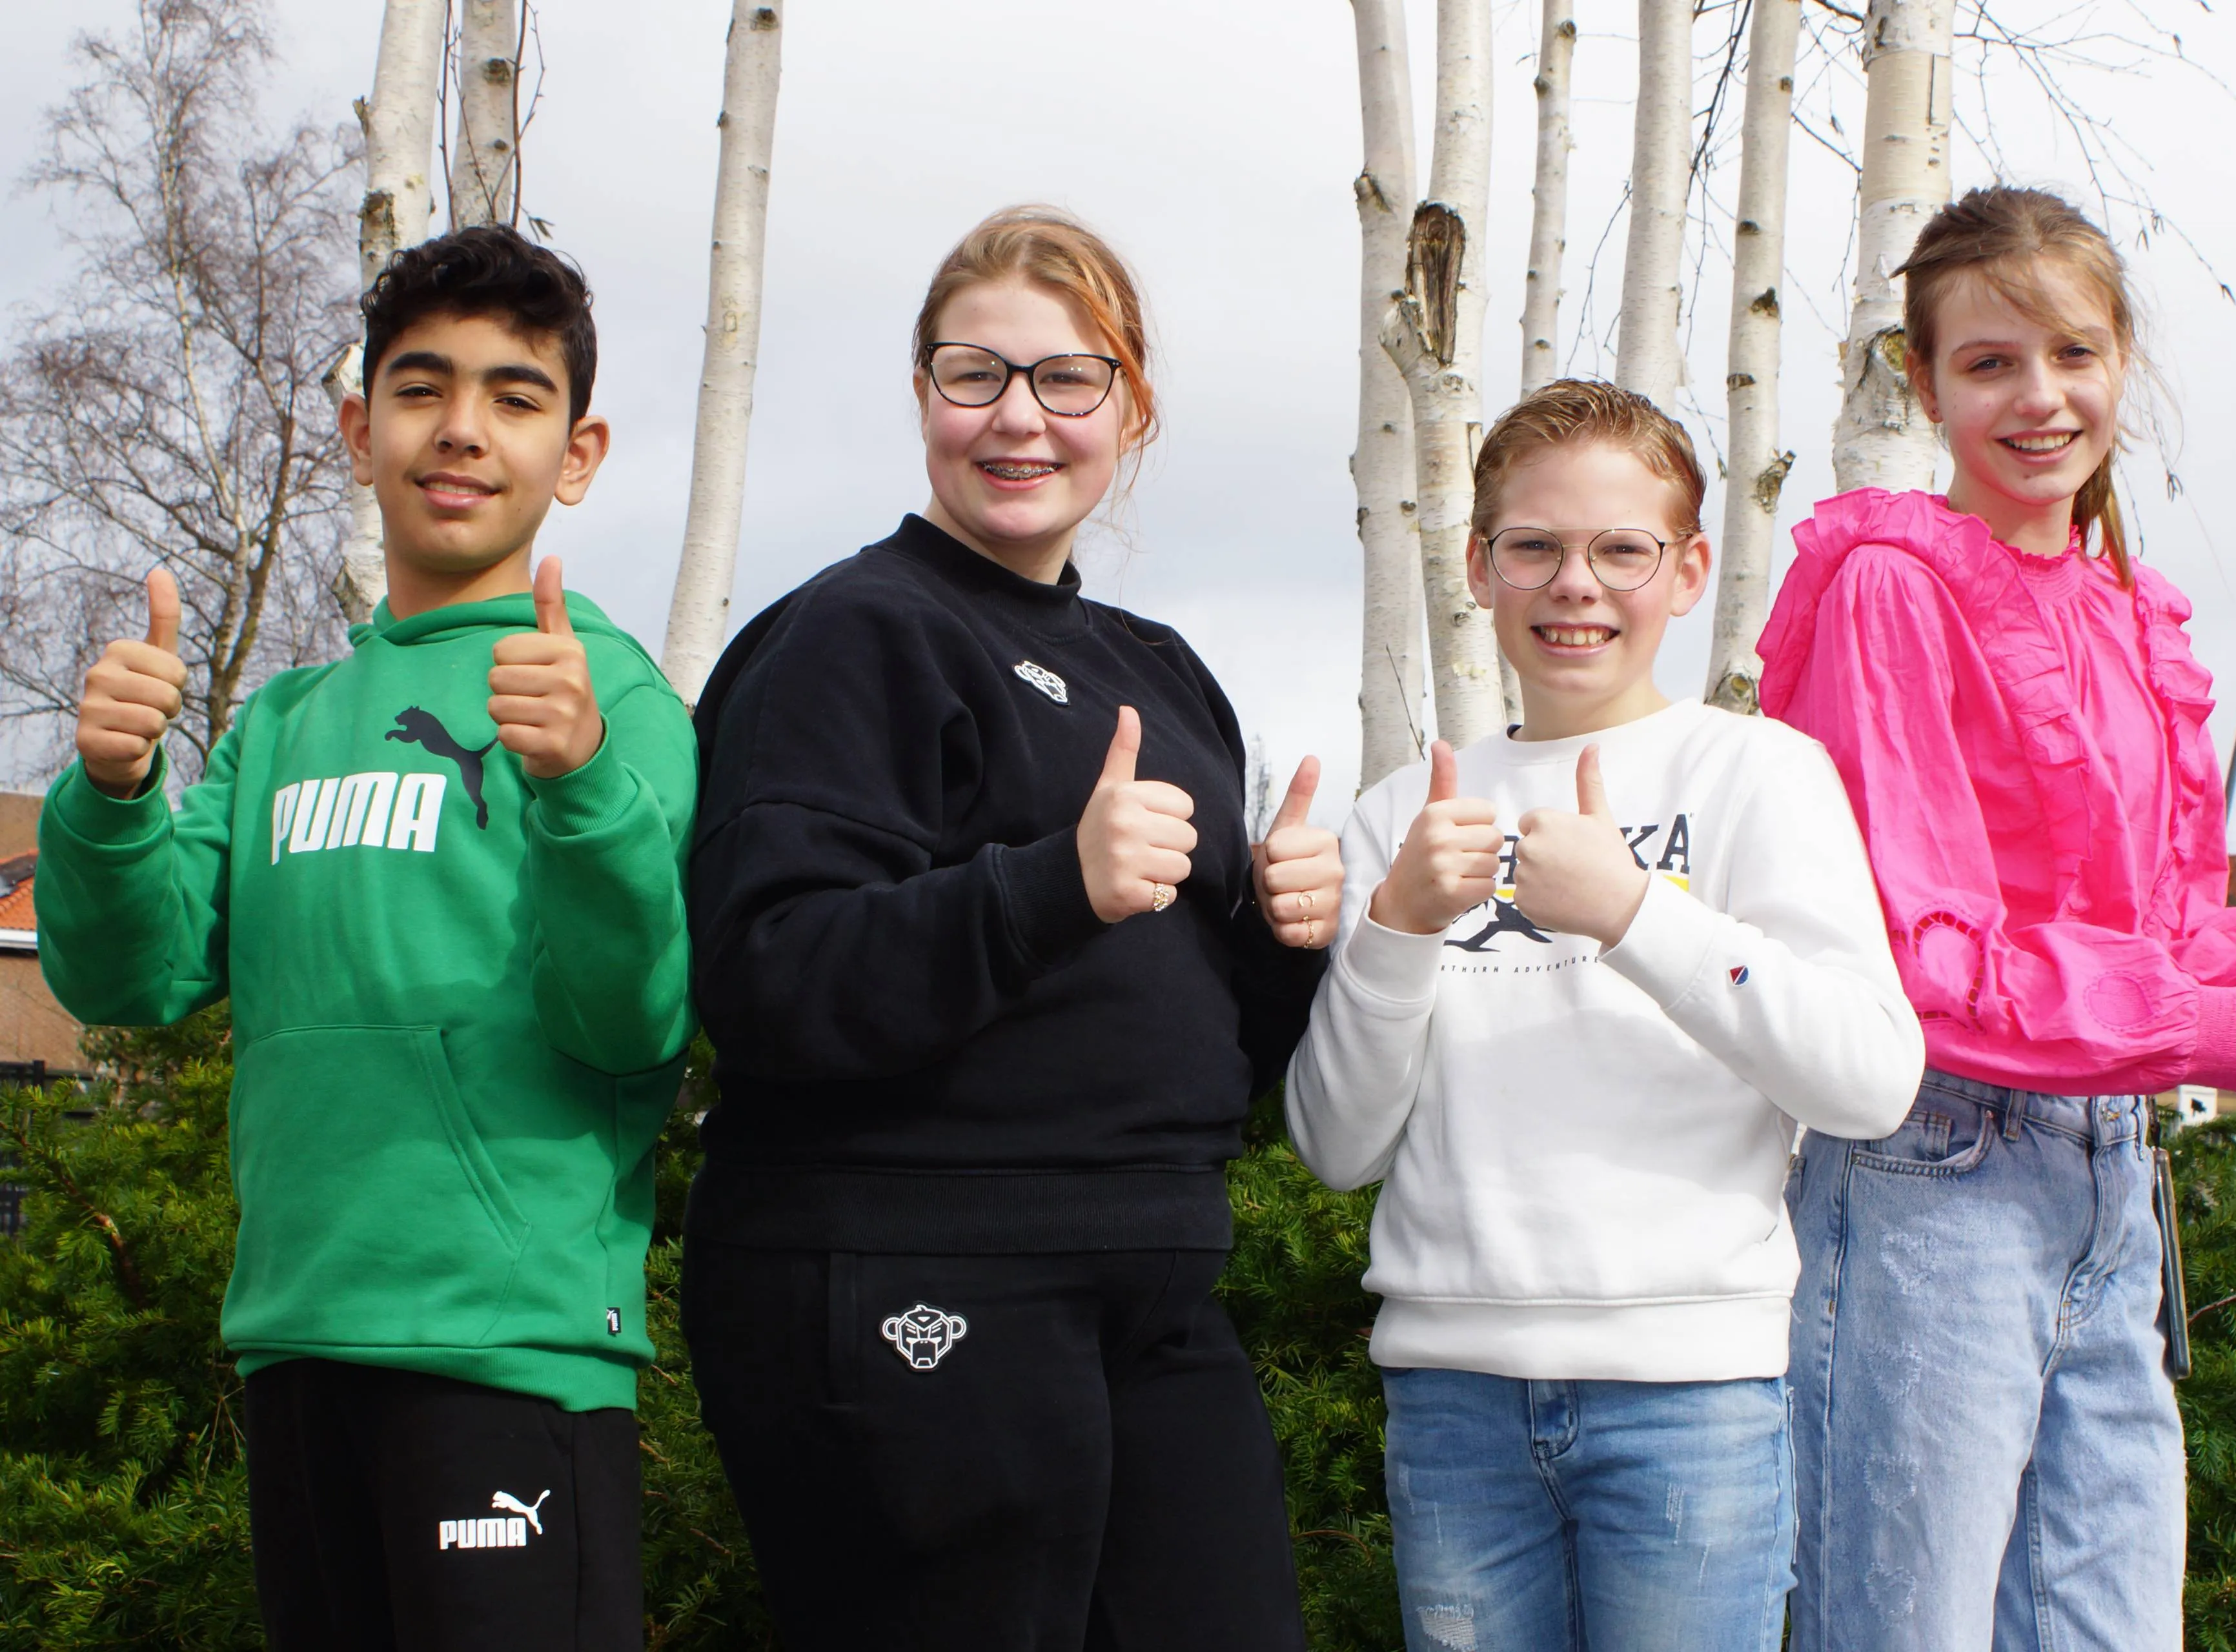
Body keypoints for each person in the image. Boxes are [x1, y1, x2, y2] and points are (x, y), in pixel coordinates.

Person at [1755, 184, 2236, 1651]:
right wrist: (2232, 1030)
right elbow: (1923, 960)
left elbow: (2163, 938)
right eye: (1990, 362)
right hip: (1933, 1168)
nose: (2040, 397)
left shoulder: (2129, 613)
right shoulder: (1891, 585)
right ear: (1926, 384)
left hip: (2110, 1169)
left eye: (2073, 353)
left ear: (2122, 363)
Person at [681, 205, 1344, 1651]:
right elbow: (767, 976)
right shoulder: (850, 633)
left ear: (1131, 408)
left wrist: (1292, 939)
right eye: (975, 373)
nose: (1019, 417)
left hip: (1154, 1285)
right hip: (914, 1270)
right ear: (924, 392)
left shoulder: (1163, 673)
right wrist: (1052, 884)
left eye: (1067, 378)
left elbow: (1209, 1045)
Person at [36, 224, 696, 1648]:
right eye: (422, 387)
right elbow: (125, 975)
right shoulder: (282, 724)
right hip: (297, 1336)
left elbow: (629, 1022)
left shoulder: (609, 700)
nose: (461, 429)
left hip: (509, 1350)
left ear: (577, 455)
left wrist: (582, 784)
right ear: (359, 430)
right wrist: (112, 791)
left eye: (515, 396)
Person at [1286, 378, 1926, 1651]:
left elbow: (1869, 1077)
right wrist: (1399, 925)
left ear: (1687, 571)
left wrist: (1635, 912)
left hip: (1693, 1399)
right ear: (1480, 566)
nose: (1575, 583)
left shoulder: (1759, 773)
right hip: (1453, 1400)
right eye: (1535, 546)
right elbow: (1338, 1145)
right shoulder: (1401, 812)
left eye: (1621, 549)